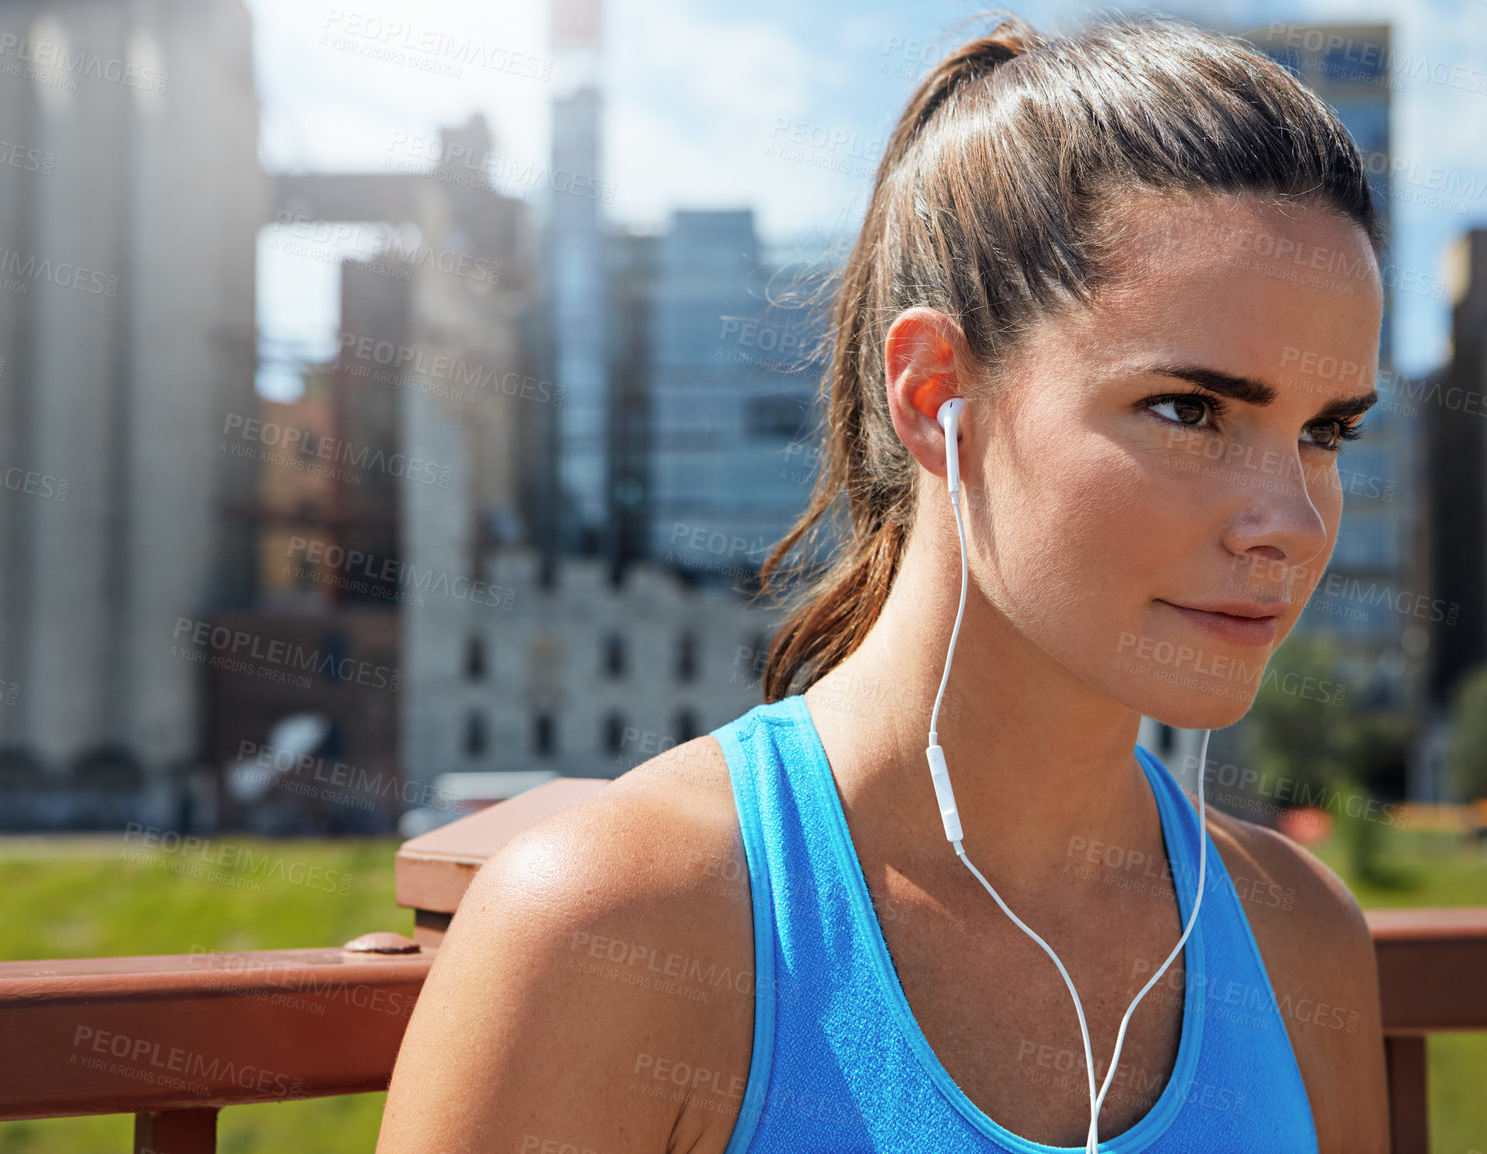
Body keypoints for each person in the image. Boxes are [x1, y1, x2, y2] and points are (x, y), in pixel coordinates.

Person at [378, 11, 1392, 1152]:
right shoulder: (614, 926)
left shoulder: (1297, 936)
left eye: (1326, 431)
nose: (1291, 524)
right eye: (1189, 409)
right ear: (930, 394)